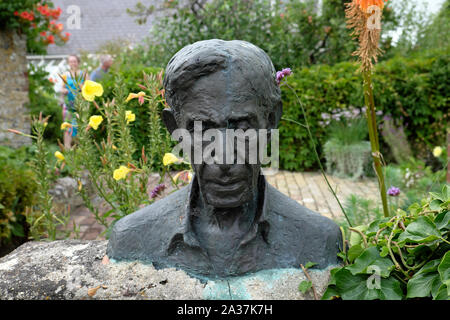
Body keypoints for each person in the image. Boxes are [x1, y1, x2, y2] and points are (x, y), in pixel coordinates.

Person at [107, 40, 342, 279]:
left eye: (242, 128)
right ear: (174, 128)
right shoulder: (132, 238)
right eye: (201, 130)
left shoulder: (319, 239)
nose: (224, 158)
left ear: (271, 121)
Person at [60, 54, 89, 148]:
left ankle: (81, 149)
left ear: (78, 62)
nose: (73, 63)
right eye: (71, 61)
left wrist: (81, 89)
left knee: (81, 126)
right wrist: (65, 91)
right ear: (68, 63)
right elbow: (62, 89)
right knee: (67, 126)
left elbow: (87, 87)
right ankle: (67, 149)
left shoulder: (83, 74)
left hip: (80, 105)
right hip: (68, 104)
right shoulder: (65, 75)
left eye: (75, 61)